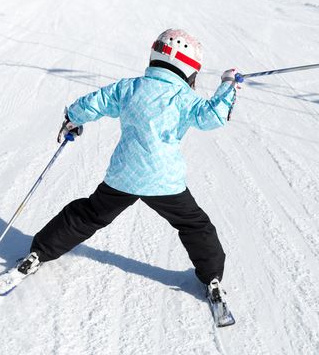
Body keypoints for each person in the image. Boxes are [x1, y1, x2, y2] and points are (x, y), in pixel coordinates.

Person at [14, 28, 238, 300]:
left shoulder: (129, 87)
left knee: (89, 214)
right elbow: (212, 116)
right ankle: (211, 276)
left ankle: (40, 252)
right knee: (194, 225)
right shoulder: (184, 98)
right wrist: (228, 85)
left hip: (124, 176)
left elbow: (95, 103)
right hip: (164, 182)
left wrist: (73, 118)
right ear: (188, 69)